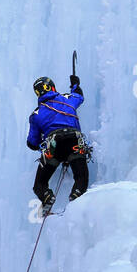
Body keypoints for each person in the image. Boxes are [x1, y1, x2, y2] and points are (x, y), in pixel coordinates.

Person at [27, 73, 90, 209]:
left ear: (38, 93)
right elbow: (79, 96)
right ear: (53, 88)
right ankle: (76, 198)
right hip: (75, 141)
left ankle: (47, 197)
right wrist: (75, 84)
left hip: (53, 146)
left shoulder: (36, 114)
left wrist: (42, 146)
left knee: (39, 185)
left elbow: (32, 143)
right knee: (81, 178)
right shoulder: (68, 99)